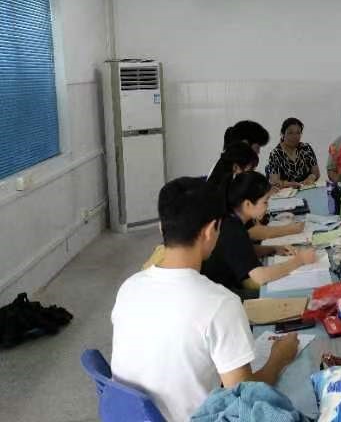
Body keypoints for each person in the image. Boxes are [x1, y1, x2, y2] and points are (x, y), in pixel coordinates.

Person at [111, 177, 299, 422]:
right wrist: (279, 358)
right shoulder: (219, 303)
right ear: (211, 231)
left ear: (161, 227)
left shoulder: (129, 287)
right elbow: (245, 398)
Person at [201, 171, 316, 294]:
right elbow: (260, 277)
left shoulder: (231, 218)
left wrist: (273, 249)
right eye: (265, 202)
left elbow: (242, 250)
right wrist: (299, 260)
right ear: (247, 204)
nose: (267, 207)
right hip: (224, 290)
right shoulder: (233, 229)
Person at [267, 117, 320, 188]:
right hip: (287, 192)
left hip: (306, 188)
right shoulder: (275, 154)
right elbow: (274, 181)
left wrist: (312, 177)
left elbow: (316, 173)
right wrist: (289, 184)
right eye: (290, 133)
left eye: (298, 133)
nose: (295, 136)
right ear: (282, 134)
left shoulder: (306, 148)